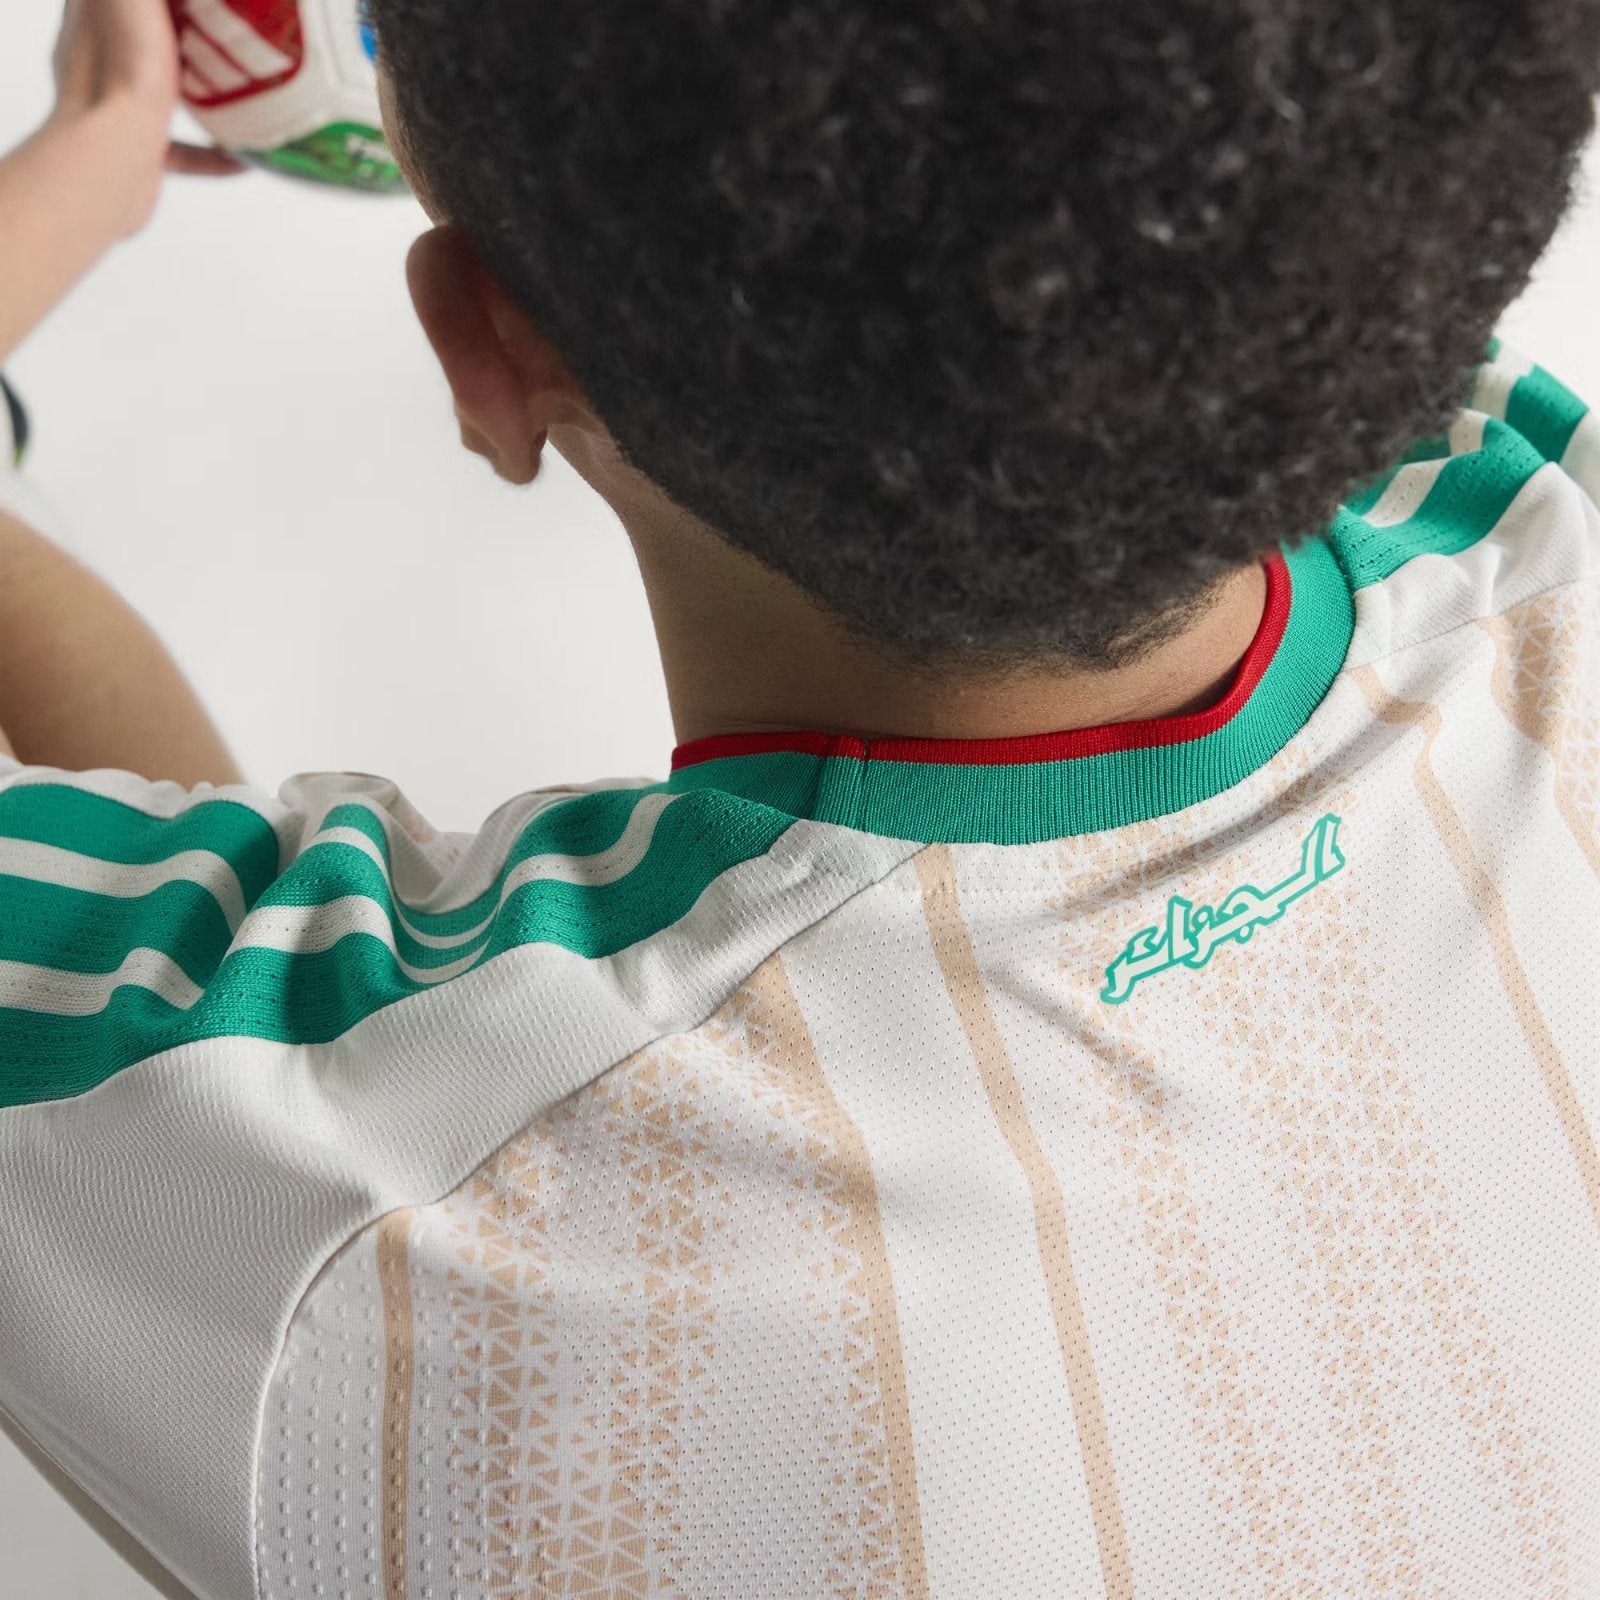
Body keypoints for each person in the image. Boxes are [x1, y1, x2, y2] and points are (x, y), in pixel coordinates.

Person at [2, 0, 1599, 1594]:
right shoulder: (1543, 513)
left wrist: (88, 159)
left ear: (488, 361)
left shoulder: (385, 1211)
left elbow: (233, 1122)